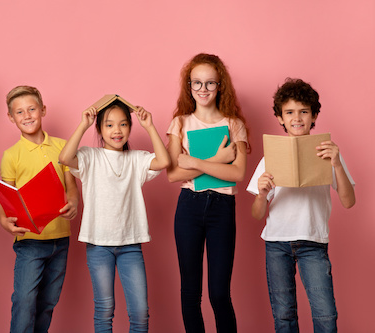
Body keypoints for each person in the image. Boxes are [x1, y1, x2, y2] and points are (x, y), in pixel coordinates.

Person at [246, 78, 355, 332]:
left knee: (326, 316)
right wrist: (261, 194)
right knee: (284, 316)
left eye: (304, 111)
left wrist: (337, 164)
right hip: (277, 244)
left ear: (314, 115)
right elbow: (256, 213)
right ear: (280, 118)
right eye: (290, 112)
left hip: (313, 243)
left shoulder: (328, 153)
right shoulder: (270, 156)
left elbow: (349, 202)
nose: (297, 118)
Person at [59, 99, 170, 332]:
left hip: (131, 244)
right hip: (98, 245)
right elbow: (65, 158)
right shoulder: (90, 156)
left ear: (130, 127)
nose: (117, 131)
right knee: (104, 310)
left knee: (140, 313)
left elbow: (164, 161)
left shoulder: (137, 158)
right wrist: (83, 125)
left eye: (122, 124)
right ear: (99, 129)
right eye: (109, 125)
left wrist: (150, 126)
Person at [166, 53, 249, 333]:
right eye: (197, 83)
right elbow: (174, 174)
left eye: (210, 83)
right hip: (189, 206)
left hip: (222, 207)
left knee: (218, 293)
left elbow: (237, 174)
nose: (203, 89)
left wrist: (196, 162)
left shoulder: (234, 124)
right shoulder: (180, 123)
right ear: (189, 86)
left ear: (220, 85)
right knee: (190, 293)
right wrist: (218, 159)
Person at [0, 85, 79, 333]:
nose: (27, 115)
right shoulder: (11, 155)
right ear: (11, 118)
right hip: (29, 240)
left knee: (47, 303)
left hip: (60, 239)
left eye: (32, 109)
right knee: (24, 302)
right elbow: (4, 198)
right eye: (19, 112)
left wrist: (73, 201)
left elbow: (71, 186)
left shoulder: (62, 146)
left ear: (43, 110)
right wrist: (3, 220)